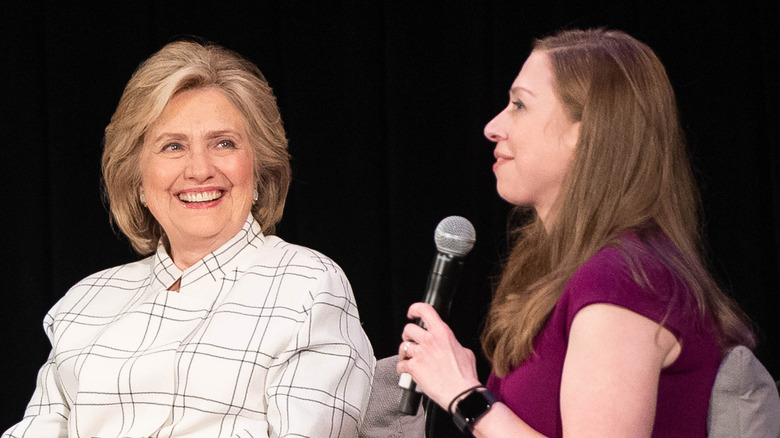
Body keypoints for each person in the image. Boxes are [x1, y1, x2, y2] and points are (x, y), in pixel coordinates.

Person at [3, 39, 375, 438]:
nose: (199, 169)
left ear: (260, 171)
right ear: (139, 181)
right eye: (173, 146)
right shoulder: (83, 302)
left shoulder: (309, 284)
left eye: (224, 143)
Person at [396, 28, 756, 437]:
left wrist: (464, 394)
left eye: (519, 105)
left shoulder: (623, 280)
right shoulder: (585, 273)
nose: (493, 127)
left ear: (585, 132)